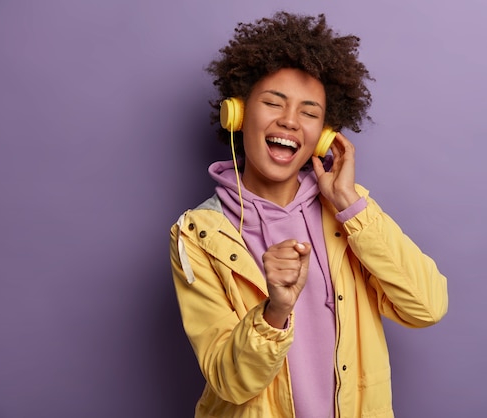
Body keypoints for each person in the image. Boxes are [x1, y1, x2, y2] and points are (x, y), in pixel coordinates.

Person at [169, 11, 448, 418]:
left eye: (310, 112)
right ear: (238, 113)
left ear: (325, 136)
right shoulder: (196, 235)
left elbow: (427, 308)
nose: (289, 121)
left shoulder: (351, 213)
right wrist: (275, 309)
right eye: (273, 103)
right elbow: (230, 381)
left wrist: (351, 206)